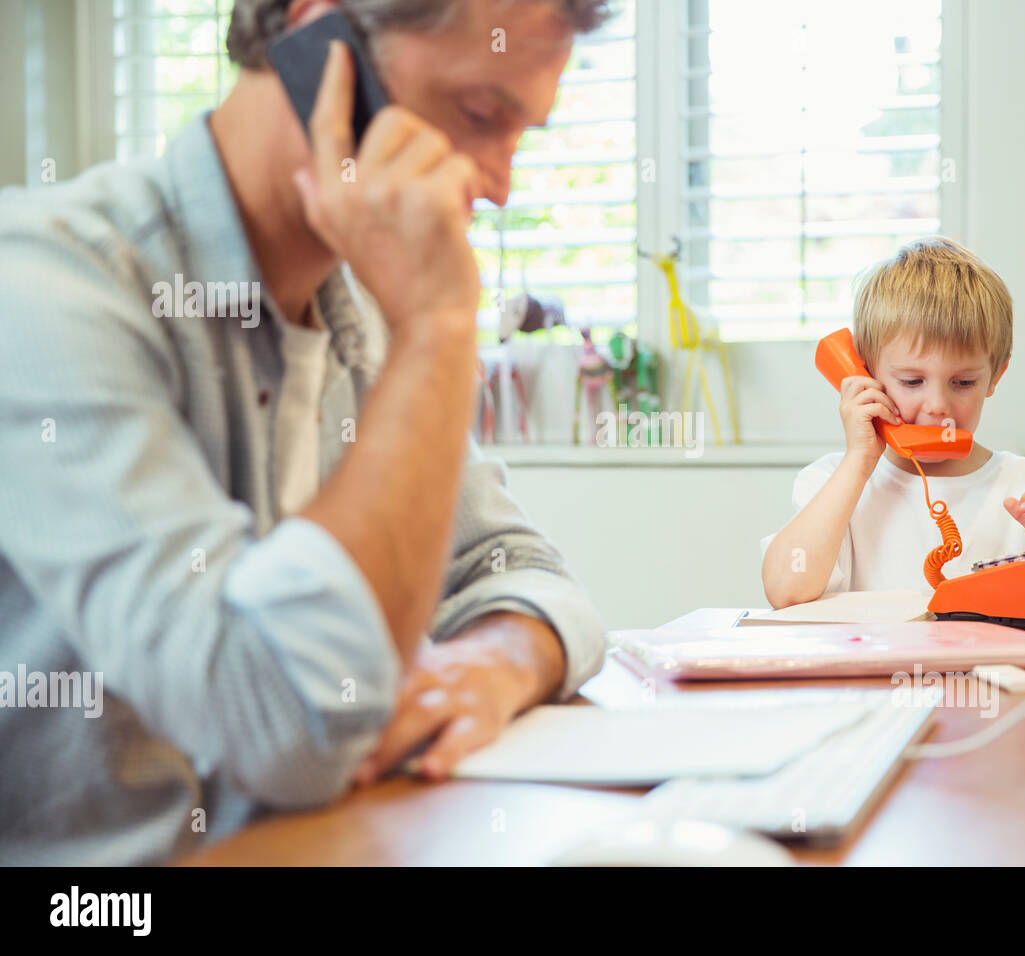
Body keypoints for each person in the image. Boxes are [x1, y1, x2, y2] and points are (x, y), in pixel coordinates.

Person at [0, 0, 612, 864]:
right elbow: (279, 724)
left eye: (523, 133)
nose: (502, 184)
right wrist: (439, 327)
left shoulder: (363, 309)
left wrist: (501, 660)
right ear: (321, 40)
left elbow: (526, 573)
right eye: (480, 115)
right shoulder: (47, 287)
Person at [760, 236, 1025, 609]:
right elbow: (785, 591)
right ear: (866, 374)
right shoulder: (831, 485)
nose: (938, 406)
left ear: (995, 377)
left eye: (963, 382)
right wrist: (858, 462)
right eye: (912, 381)